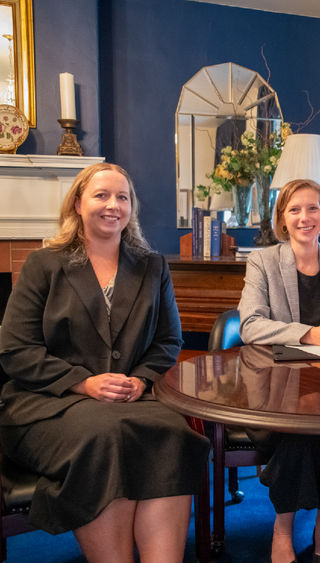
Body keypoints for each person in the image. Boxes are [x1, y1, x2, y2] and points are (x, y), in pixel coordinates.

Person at [0, 162, 210, 562]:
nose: (113, 205)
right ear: (77, 203)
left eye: (122, 197)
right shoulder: (43, 265)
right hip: (49, 401)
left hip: (130, 398)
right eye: (101, 195)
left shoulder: (151, 267)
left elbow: (169, 340)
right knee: (104, 437)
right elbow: (15, 349)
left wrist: (142, 380)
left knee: (176, 434)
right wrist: (83, 383)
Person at [237, 178, 320, 563]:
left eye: (313, 208)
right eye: (295, 209)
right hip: (276, 389)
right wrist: (311, 334)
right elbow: (250, 327)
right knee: (299, 433)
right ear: (282, 218)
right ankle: (283, 531)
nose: (304, 217)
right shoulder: (262, 261)